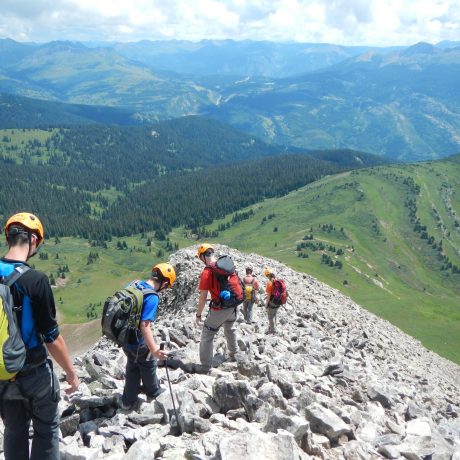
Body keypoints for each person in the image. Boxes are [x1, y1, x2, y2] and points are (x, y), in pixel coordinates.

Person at [0, 212, 80, 460]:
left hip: (2, 371)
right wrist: (71, 373)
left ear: (9, 237)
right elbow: (51, 337)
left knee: (14, 430)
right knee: (46, 429)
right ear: (33, 240)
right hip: (34, 372)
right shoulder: (36, 280)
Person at [120, 263, 174, 410]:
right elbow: (145, 325)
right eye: (167, 286)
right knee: (148, 364)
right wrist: (155, 349)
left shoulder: (134, 284)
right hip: (138, 341)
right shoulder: (152, 296)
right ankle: (154, 393)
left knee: (133, 365)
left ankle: (127, 401)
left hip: (124, 337)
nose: (165, 289)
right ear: (164, 282)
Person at [195, 244, 238, 371]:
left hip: (221, 309)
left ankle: (205, 366)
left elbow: (203, 297)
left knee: (207, 334)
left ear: (202, 257)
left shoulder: (207, 272)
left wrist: (198, 315)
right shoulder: (227, 265)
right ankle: (234, 354)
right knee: (230, 328)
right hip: (234, 305)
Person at [264, 267, 279, 334]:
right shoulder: (277, 281)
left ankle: (273, 331)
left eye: (266, 276)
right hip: (278, 301)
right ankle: (274, 328)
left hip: (272, 302)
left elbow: (269, 295)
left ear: (268, 275)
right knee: (274, 315)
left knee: (270, 317)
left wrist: (266, 304)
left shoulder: (269, 283)